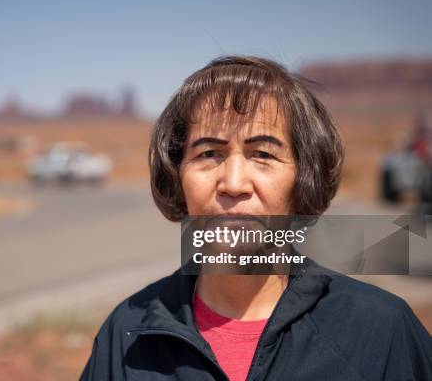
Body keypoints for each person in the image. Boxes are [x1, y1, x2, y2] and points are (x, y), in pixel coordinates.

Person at [79, 56, 432, 380]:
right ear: (177, 176)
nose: (233, 184)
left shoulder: (380, 332)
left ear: (302, 179)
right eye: (209, 153)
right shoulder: (127, 336)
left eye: (262, 154)